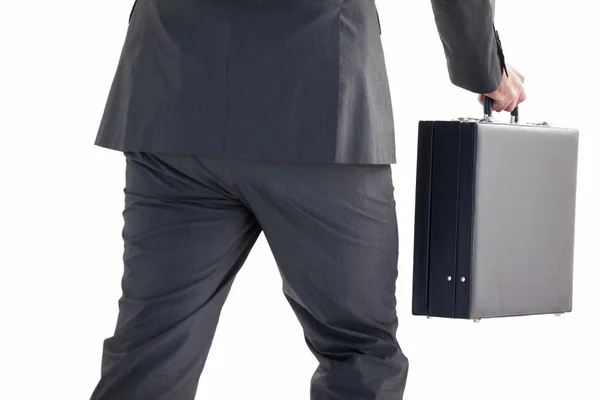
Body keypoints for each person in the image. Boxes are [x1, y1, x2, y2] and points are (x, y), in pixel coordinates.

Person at [90, 0, 526, 399]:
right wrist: (485, 68)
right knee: (359, 352)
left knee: (151, 354)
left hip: (174, 94)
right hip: (322, 102)